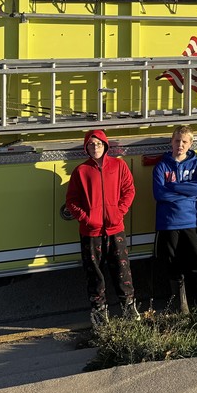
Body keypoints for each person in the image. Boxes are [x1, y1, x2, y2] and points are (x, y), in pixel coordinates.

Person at [64, 129, 139, 328]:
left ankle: (128, 306)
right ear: (86, 147)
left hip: (115, 229)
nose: (95, 147)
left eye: (98, 143)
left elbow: (129, 190)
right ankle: (99, 311)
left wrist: (119, 212)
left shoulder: (118, 165)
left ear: (105, 145)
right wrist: (86, 218)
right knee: (94, 273)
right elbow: (72, 200)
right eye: (90, 144)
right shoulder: (81, 171)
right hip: (91, 232)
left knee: (122, 269)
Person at [152, 125, 197, 313]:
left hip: (193, 221)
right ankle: (181, 305)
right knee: (173, 263)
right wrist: (184, 190)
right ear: (171, 141)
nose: (180, 145)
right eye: (177, 140)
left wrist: (173, 187)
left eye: (184, 141)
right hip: (168, 222)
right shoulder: (161, 166)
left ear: (190, 144)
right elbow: (159, 193)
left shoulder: (196, 165)